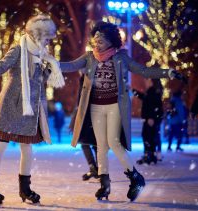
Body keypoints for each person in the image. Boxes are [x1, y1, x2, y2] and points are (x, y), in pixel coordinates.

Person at [46, 21, 185, 202]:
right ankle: (105, 184)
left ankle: (136, 178)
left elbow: (145, 71)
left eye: (101, 40)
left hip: (114, 105)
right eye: (95, 40)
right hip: (95, 107)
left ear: (111, 41)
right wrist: (49, 62)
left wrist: (169, 73)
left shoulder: (121, 58)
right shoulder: (89, 58)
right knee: (101, 145)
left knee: (113, 141)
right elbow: (69, 66)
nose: (97, 43)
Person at [0, 14, 65, 205]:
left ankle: (25, 189)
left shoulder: (43, 56)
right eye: (47, 37)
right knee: (0, 146)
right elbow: (1, 65)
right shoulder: (18, 49)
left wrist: (52, 66)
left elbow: (45, 79)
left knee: (27, 148)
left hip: (30, 109)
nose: (49, 41)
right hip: (11, 104)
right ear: (37, 35)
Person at [69, 75, 98, 181]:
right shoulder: (83, 78)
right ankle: (94, 167)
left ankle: (99, 170)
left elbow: (83, 99)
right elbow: (80, 100)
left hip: (92, 114)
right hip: (85, 115)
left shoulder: (90, 77)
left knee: (94, 144)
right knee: (85, 143)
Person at [133, 79, 163, 165]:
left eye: (148, 80)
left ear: (152, 82)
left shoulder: (152, 92)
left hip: (151, 118)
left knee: (148, 136)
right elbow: (144, 98)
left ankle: (149, 155)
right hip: (151, 118)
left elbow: (154, 104)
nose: (146, 81)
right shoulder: (151, 91)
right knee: (149, 136)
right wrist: (133, 91)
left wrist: (151, 117)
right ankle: (150, 155)